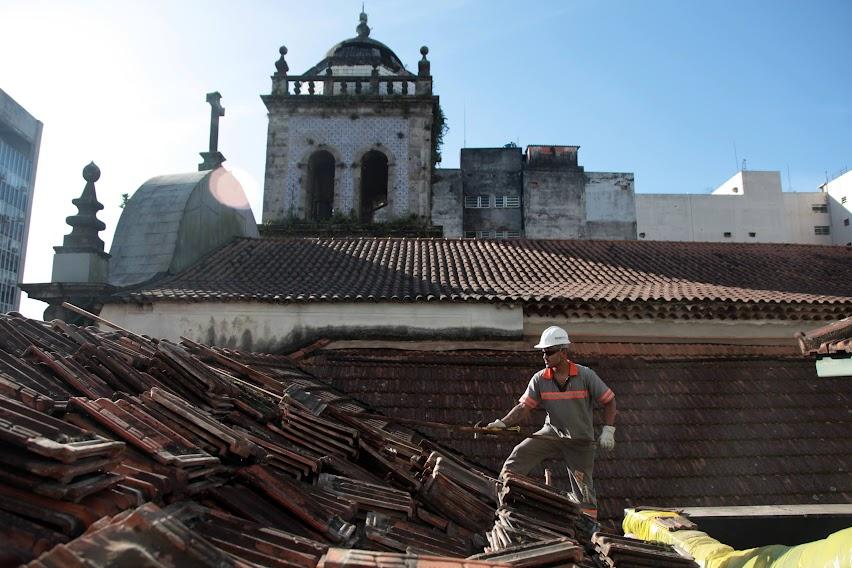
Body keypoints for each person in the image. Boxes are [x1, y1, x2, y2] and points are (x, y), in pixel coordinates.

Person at [487, 325, 617, 518]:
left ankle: (588, 529)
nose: (544, 357)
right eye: (543, 352)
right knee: (519, 455)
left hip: (579, 440)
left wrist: (608, 430)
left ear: (564, 352)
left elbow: (609, 401)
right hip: (553, 433)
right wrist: (502, 423)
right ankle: (497, 501)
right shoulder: (540, 379)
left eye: (549, 352)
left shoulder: (585, 375)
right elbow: (524, 407)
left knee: (584, 491)